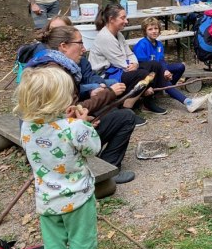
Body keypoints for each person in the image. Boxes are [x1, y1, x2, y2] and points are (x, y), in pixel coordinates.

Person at [14, 66, 106, 249]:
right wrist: (84, 124)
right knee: (81, 237)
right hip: (77, 196)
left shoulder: (27, 127)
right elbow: (92, 149)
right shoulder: (73, 127)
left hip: (46, 197)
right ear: (59, 99)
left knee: (53, 240)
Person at [26, 25, 137, 184]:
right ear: (64, 46)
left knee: (111, 111)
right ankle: (108, 171)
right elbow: (68, 112)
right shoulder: (56, 74)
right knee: (126, 117)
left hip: (48, 132)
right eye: (80, 43)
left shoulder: (49, 63)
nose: (84, 49)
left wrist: (87, 112)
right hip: (56, 139)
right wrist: (109, 94)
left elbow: (65, 109)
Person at [88, 4, 168, 115]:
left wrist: (135, 63)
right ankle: (127, 106)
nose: (126, 21)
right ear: (111, 19)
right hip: (106, 74)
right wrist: (133, 66)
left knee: (154, 65)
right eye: (123, 18)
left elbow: (129, 54)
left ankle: (148, 103)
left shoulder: (118, 34)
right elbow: (120, 62)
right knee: (143, 74)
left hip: (120, 68)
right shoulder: (105, 37)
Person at [132, 17, 207, 113]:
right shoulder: (141, 45)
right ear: (145, 31)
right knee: (162, 77)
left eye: (156, 28)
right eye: (150, 29)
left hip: (158, 69)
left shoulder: (158, 44)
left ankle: (168, 90)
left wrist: (165, 71)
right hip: (146, 74)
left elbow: (161, 61)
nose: (154, 31)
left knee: (180, 67)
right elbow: (142, 66)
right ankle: (188, 102)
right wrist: (161, 73)